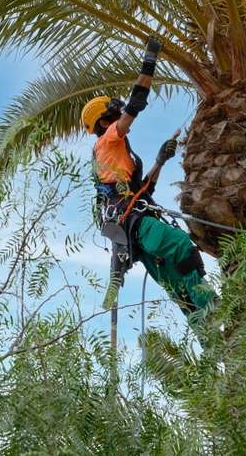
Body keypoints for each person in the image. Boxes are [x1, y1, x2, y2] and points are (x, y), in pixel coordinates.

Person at [81, 36, 214, 320]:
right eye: (113, 114)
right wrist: (149, 61)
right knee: (179, 245)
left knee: (178, 287)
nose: (119, 116)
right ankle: (214, 307)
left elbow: (142, 189)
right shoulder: (107, 140)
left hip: (133, 228)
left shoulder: (114, 154)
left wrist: (160, 161)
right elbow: (136, 104)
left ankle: (216, 342)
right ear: (104, 122)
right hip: (134, 223)